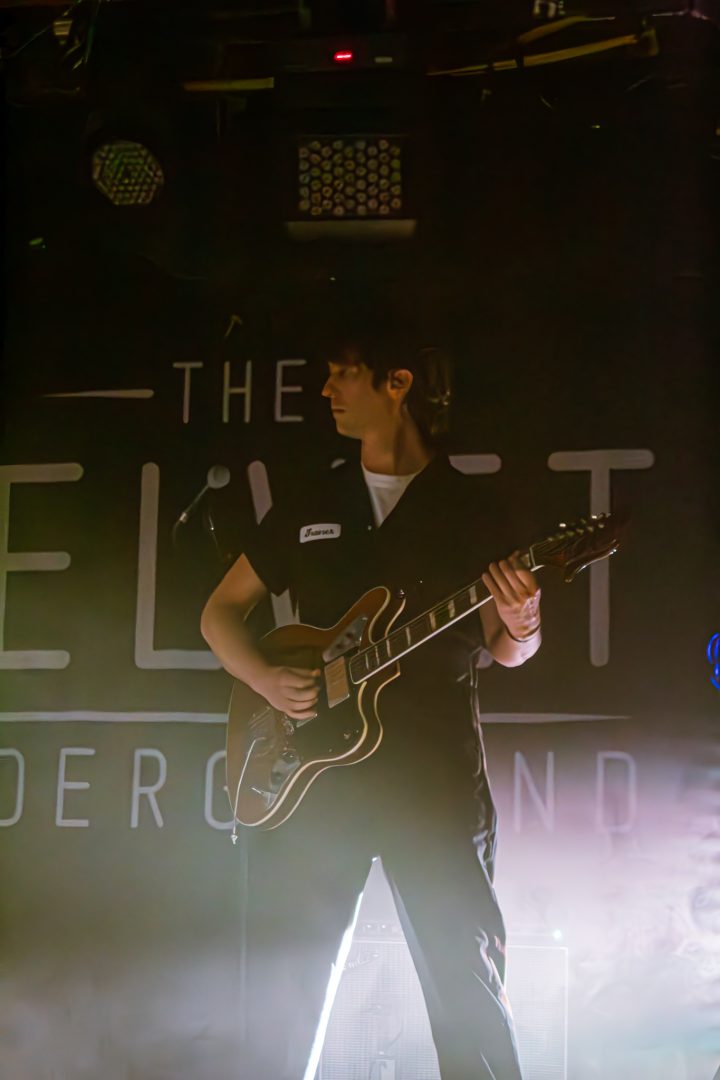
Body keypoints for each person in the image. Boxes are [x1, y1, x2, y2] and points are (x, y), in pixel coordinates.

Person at [200, 316, 542, 1080]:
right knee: (285, 992)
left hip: (433, 779)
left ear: (397, 383)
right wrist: (264, 679)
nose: (326, 389)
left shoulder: (472, 507)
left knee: (466, 983)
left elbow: (506, 648)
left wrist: (525, 620)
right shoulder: (312, 498)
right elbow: (218, 614)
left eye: (343, 372)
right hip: (316, 779)